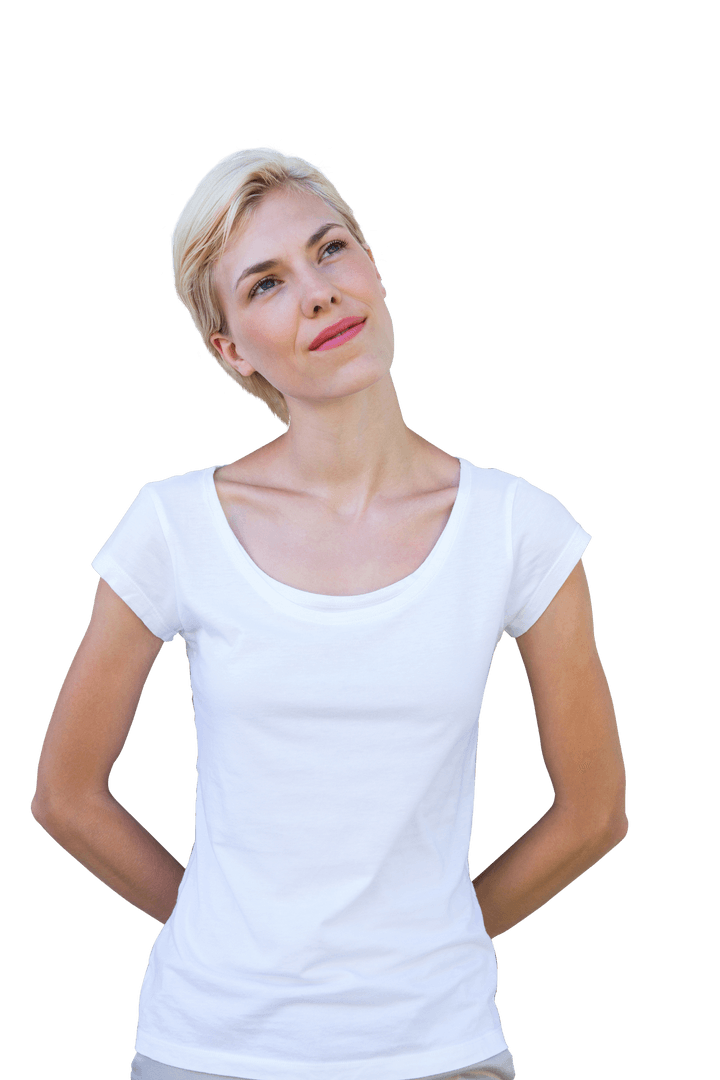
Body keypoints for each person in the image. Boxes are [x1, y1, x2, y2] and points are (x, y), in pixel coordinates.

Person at [30, 146, 628, 1080]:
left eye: (332, 249)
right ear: (230, 349)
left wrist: (428, 940)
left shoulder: (519, 529)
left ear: (374, 269)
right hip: (208, 1049)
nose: (318, 292)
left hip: (439, 1051)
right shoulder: (174, 525)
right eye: (266, 283)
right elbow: (65, 796)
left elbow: (594, 813)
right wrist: (225, 932)